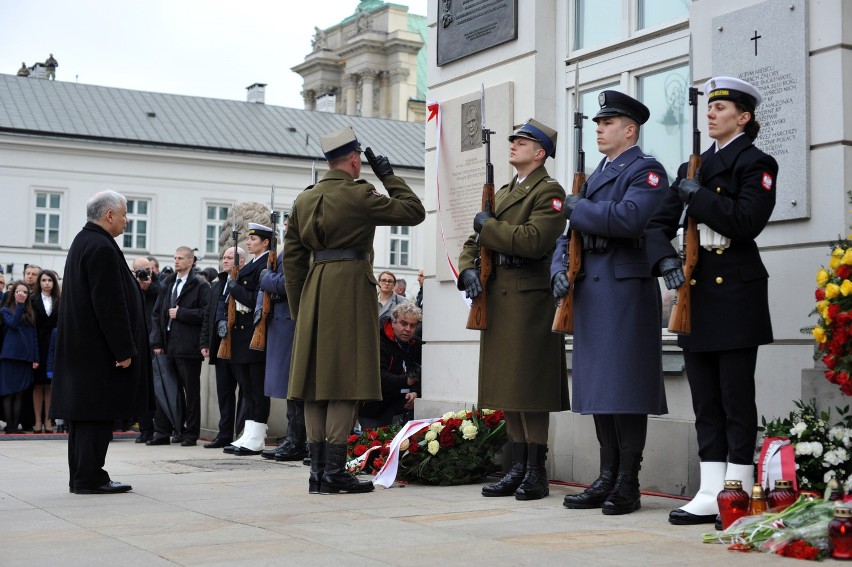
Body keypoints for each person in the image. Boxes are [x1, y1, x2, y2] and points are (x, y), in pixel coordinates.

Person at [644, 77, 777, 526]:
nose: (712, 112)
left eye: (722, 106)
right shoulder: (690, 167)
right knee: (705, 400)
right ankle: (708, 488)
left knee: (735, 398)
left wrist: (697, 196)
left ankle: (736, 492)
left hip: (736, 292)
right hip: (696, 294)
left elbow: (746, 221)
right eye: (710, 106)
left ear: (744, 117)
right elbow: (656, 226)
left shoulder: (757, 162)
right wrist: (665, 262)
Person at [283, 126, 425, 494]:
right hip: (349, 288)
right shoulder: (360, 193)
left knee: (314, 383)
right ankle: (334, 471)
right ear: (354, 159)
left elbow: (293, 264)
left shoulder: (304, 199)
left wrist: (302, 312)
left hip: (314, 290)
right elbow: (414, 211)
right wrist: (389, 175)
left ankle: (317, 473)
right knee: (345, 380)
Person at [551, 91, 668, 515]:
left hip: (624, 288)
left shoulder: (647, 170)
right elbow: (566, 237)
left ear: (630, 129)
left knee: (626, 387)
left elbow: (631, 218)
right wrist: (558, 270)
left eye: (608, 123)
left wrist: (579, 210)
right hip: (592, 289)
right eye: (598, 123)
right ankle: (606, 475)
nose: (599, 129)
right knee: (602, 389)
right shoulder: (596, 174)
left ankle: (628, 482)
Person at [458, 118, 569, 502]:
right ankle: (517, 467)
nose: (513, 144)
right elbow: (475, 240)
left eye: (521, 141)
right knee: (509, 389)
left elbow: (536, 240)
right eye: (513, 139)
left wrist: (489, 229)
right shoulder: (505, 191)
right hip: (499, 296)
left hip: (528, 297)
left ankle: (535, 471)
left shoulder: (550, 191)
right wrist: (469, 268)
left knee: (531, 390)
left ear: (539, 153)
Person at [52, 190, 151, 494]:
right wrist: (123, 349)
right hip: (98, 353)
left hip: (85, 350)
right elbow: (109, 304)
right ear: (109, 215)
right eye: (124, 214)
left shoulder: (86, 241)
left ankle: (82, 475)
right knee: (96, 415)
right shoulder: (101, 247)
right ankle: (91, 477)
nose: (127, 219)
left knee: (85, 417)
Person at [219, 223, 272, 456]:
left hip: (254, 330)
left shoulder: (266, 264)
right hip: (241, 332)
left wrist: (234, 287)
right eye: (248, 239)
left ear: (266, 242)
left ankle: (258, 435)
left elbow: (256, 300)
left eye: (254, 239)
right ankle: (249, 433)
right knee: (247, 388)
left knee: (257, 387)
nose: (248, 243)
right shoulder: (250, 264)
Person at [148, 247, 209, 447]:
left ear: (190, 261)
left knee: (190, 392)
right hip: (168, 345)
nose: (176, 261)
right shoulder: (168, 283)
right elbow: (157, 314)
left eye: (180, 258)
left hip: (189, 347)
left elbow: (205, 314)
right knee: (168, 390)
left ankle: (191, 433)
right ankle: (166, 431)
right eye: (174, 258)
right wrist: (157, 342)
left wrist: (182, 313)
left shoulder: (199, 285)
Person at [256, 226, 305, 463]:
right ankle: (293, 438)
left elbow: (292, 283)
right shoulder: (290, 248)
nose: (286, 228)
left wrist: (267, 279)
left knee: (293, 386)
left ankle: (297, 441)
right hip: (282, 321)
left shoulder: (302, 248)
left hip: (290, 321)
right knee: (288, 387)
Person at [200, 246, 246, 448]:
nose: (225, 260)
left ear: (241, 262)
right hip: (220, 346)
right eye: (223, 257)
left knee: (245, 393)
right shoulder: (217, 285)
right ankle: (224, 433)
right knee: (224, 393)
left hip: (241, 347)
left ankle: (242, 434)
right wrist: (205, 343)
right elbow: (208, 316)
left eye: (230, 257)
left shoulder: (244, 282)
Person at [359, 302, 422, 428]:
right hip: (374, 409)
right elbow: (377, 377)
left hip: (400, 408)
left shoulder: (416, 344)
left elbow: (421, 373)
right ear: (393, 322)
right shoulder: (378, 341)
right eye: (403, 323)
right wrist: (407, 381)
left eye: (412, 325)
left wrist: (415, 392)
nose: (408, 329)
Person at [0, 281, 38, 434]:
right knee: (8, 392)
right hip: (10, 357)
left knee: (20, 393)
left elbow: (34, 336)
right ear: (12, 293)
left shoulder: (30, 312)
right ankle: (10, 426)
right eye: (18, 291)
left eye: (24, 292)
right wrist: (20, 305)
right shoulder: (5, 310)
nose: (21, 294)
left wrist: (36, 358)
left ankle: (16, 425)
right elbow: (13, 324)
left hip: (25, 358)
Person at [131, 257, 160, 443]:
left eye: (146, 269)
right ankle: (144, 429)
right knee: (138, 388)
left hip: (153, 342)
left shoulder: (159, 284)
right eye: (139, 271)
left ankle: (157, 429)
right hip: (136, 341)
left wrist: (149, 287)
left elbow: (163, 302)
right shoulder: (129, 283)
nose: (143, 274)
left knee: (154, 389)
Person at [32, 269, 60, 433]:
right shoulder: (33, 299)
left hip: (54, 344)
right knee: (37, 385)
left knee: (50, 385)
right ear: (39, 283)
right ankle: (37, 421)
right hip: (37, 344)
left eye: (50, 280)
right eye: (43, 280)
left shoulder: (59, 299)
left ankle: (48, 421)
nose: (47, 283)